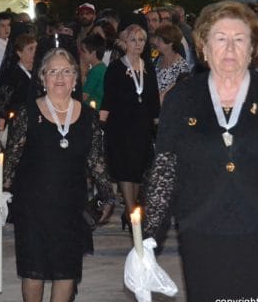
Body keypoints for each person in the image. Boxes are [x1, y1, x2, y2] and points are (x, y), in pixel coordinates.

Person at [144, 0, 258, 302]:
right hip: (203, 235)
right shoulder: (182, 99)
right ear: (203, 45)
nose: (230, 48)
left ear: (254, 46)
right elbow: (165, 172)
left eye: (239, 39)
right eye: (220, 38)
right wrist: (146, 241)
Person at [3, 48, 113, 302]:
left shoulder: (88, 117)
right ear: (43, 78)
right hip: (32, 205)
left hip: (71, 205)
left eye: (66, 71)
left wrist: (107, 193)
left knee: (67, 269)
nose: (60, 77)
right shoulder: (28, 113)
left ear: (76, 78)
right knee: (33, 269)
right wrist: (2, 193)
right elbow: (12, 159)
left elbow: (96, 160)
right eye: (53, 71)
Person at [100, 24, 159, 230]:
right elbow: (108, 98)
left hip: (142, 127)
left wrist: (157, 123)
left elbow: (153, 100)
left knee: (138, 171)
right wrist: (100, 124)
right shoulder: (116, 68)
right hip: (121, 127)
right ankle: (131, 211)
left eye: (142, 40)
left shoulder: (149, 67)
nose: (138, 44)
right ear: (125, 42)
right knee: (125, 170)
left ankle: (132, 213)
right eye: (133, 40)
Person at [0, 33, 37, 138]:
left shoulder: (40, 71)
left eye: (36, 48)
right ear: (19, 53)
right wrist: (1, 130)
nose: (35, 52)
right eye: (30, 49)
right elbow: (3, 102)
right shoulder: (11, 74)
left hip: (36, 120)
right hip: (17, 122)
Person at [152, 23, 190, 103]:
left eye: (159, 39)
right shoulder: (157, 60)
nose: (155, 42)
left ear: (170, 42)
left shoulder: (182, 67)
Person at [78, 34, 106, 108]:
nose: (80, 53)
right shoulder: (101, 68)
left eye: (83, 51)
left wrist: (83, 73)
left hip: (93, 112)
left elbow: (82, 97)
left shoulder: (96, 71)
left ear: (93, 53)